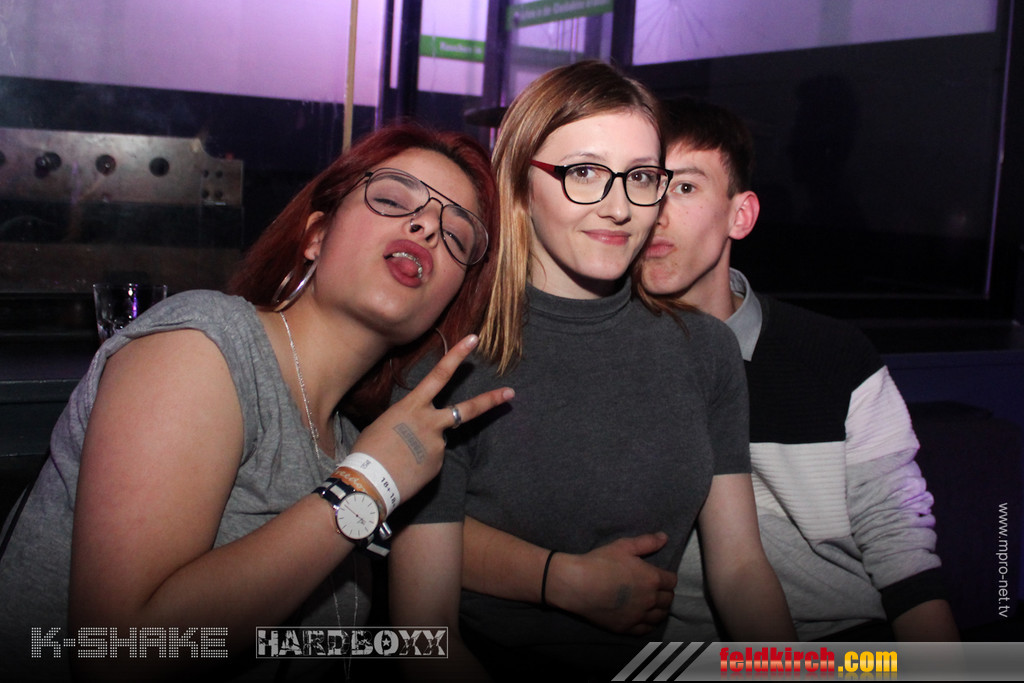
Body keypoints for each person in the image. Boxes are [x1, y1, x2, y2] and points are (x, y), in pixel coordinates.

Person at [0, 122, 514, 681]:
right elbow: (122, 653)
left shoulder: (352, 440)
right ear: (316, 235)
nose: (428, 226)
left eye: (456, 235)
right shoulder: (203, 343)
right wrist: (366, 484)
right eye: (392, 200)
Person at [392, 61, 795, 683]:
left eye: (641, 177)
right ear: (520, 183)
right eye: (583, 172)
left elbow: (741, 569)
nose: (618, 207)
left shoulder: (706, 351)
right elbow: (424, 637)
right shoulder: (451, 360)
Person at [641, 96, 959, 641]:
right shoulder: (606, 360)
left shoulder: (833, 355)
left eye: (686, 188)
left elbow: (898, 542)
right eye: (646, 184)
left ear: (740, 215)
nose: (658, 213)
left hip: (845, 643)